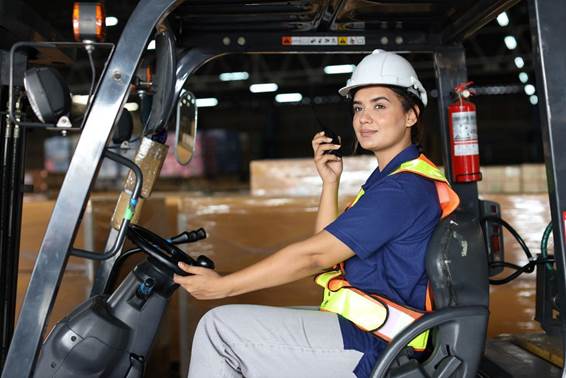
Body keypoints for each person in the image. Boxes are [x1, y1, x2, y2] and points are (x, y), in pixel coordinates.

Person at [174, 49, 459, 378]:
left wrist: (223, 287)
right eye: (358, 108)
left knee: (218, 328)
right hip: (368, 332)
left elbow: (312, 256)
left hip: (376, 344)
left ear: (411, 115)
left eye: (379, 106)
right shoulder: (391, 180)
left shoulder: (403, 190)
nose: (364, 118)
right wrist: (330, 183)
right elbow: (326, 255)